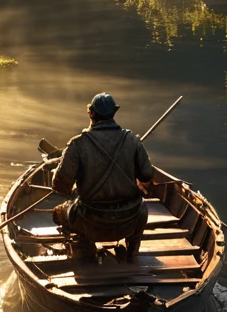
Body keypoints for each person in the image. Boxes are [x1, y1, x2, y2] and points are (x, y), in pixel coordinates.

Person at [51, 93, 154, 261]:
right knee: (142, 208)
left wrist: (64, 175)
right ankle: (133, 248)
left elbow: (60, 188)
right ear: (113, 113)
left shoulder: (78, 144)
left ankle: (85, 247)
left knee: (58, 213)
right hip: (130, 218)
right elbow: (147, 174)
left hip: (91, 219)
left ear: (91, 113)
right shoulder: (132, 140)